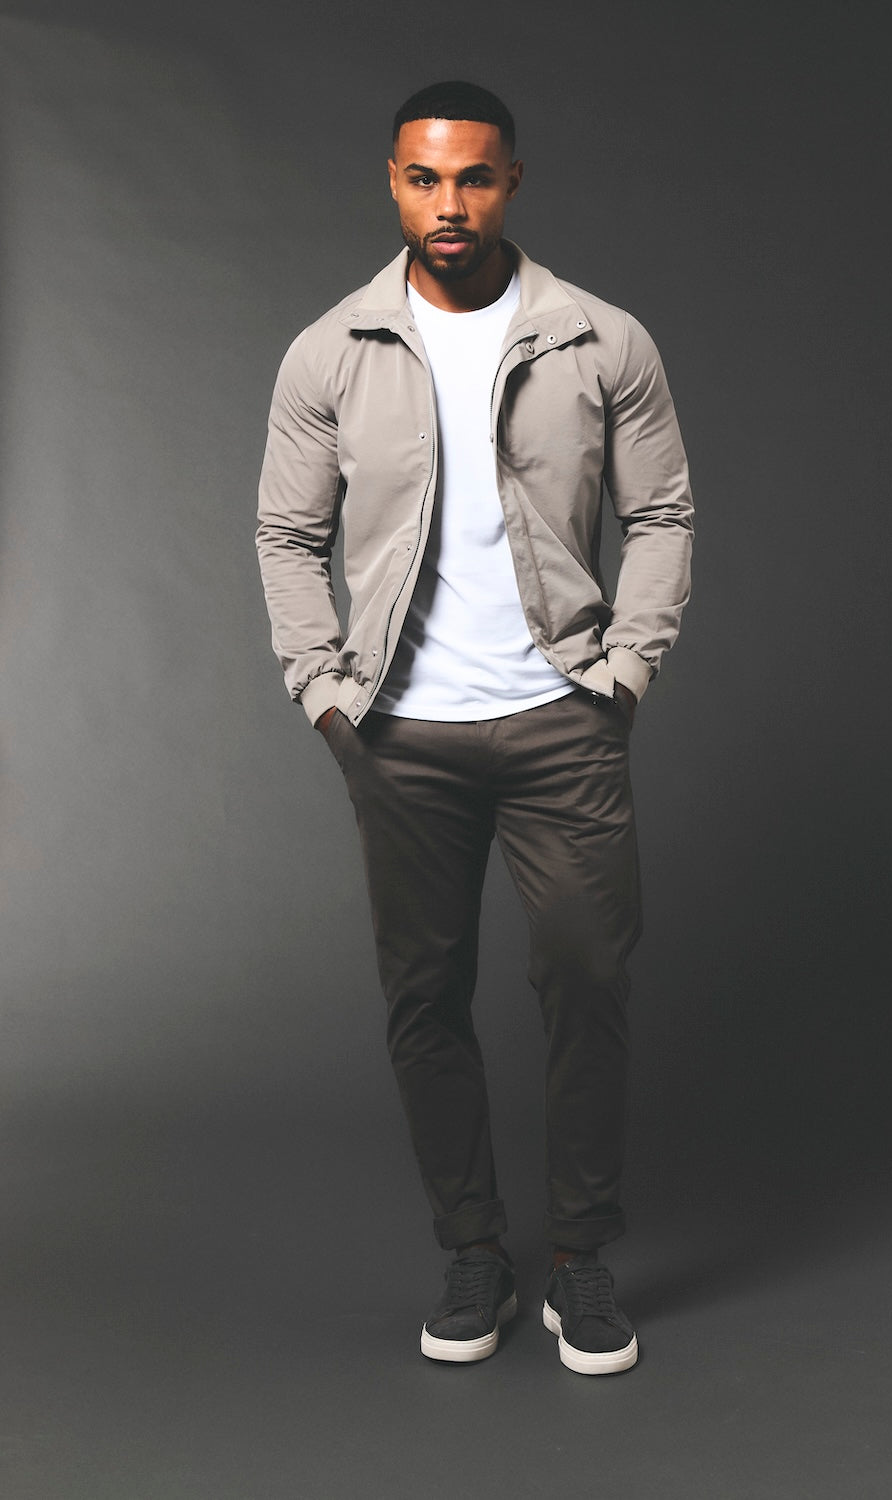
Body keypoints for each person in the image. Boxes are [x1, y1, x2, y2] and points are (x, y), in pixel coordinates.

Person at [256, 80, 693, 1376]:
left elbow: (662, 514)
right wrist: (324, 690)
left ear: (512, 183)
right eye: (424, 178)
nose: (449, 204)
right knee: (424, 993)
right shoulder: (330, 351)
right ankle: (473, 1251)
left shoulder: (601, 339)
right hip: (400, 735)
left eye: (475, 178)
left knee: (588, 978)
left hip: (564, 719)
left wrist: (625, 672)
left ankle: (579, 1260)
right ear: (394, 183)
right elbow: (287, 534)